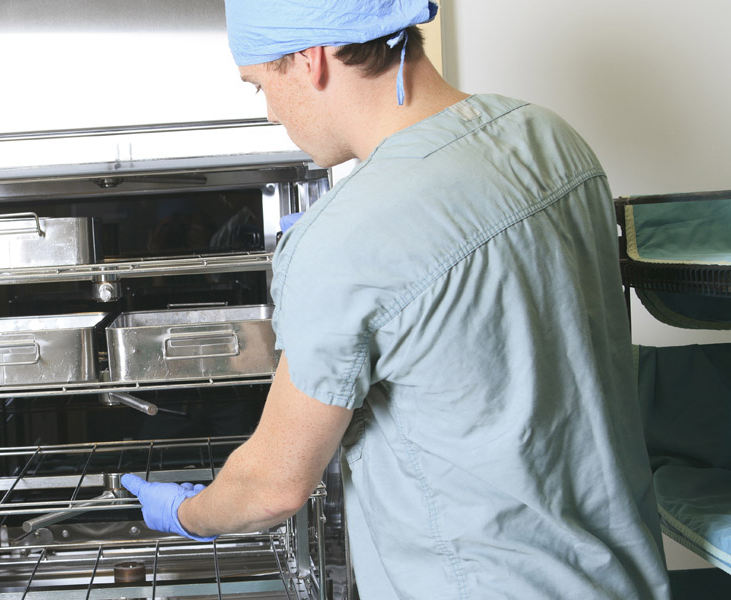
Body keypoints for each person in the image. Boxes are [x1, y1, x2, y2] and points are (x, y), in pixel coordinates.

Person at [120, 1, 672, 598]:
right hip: (621, 576)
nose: (273, 113)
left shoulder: (344, 237)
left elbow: (272, 488)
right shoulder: (549, 135)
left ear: (311, 60)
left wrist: (187, 513)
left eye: (261, 88)